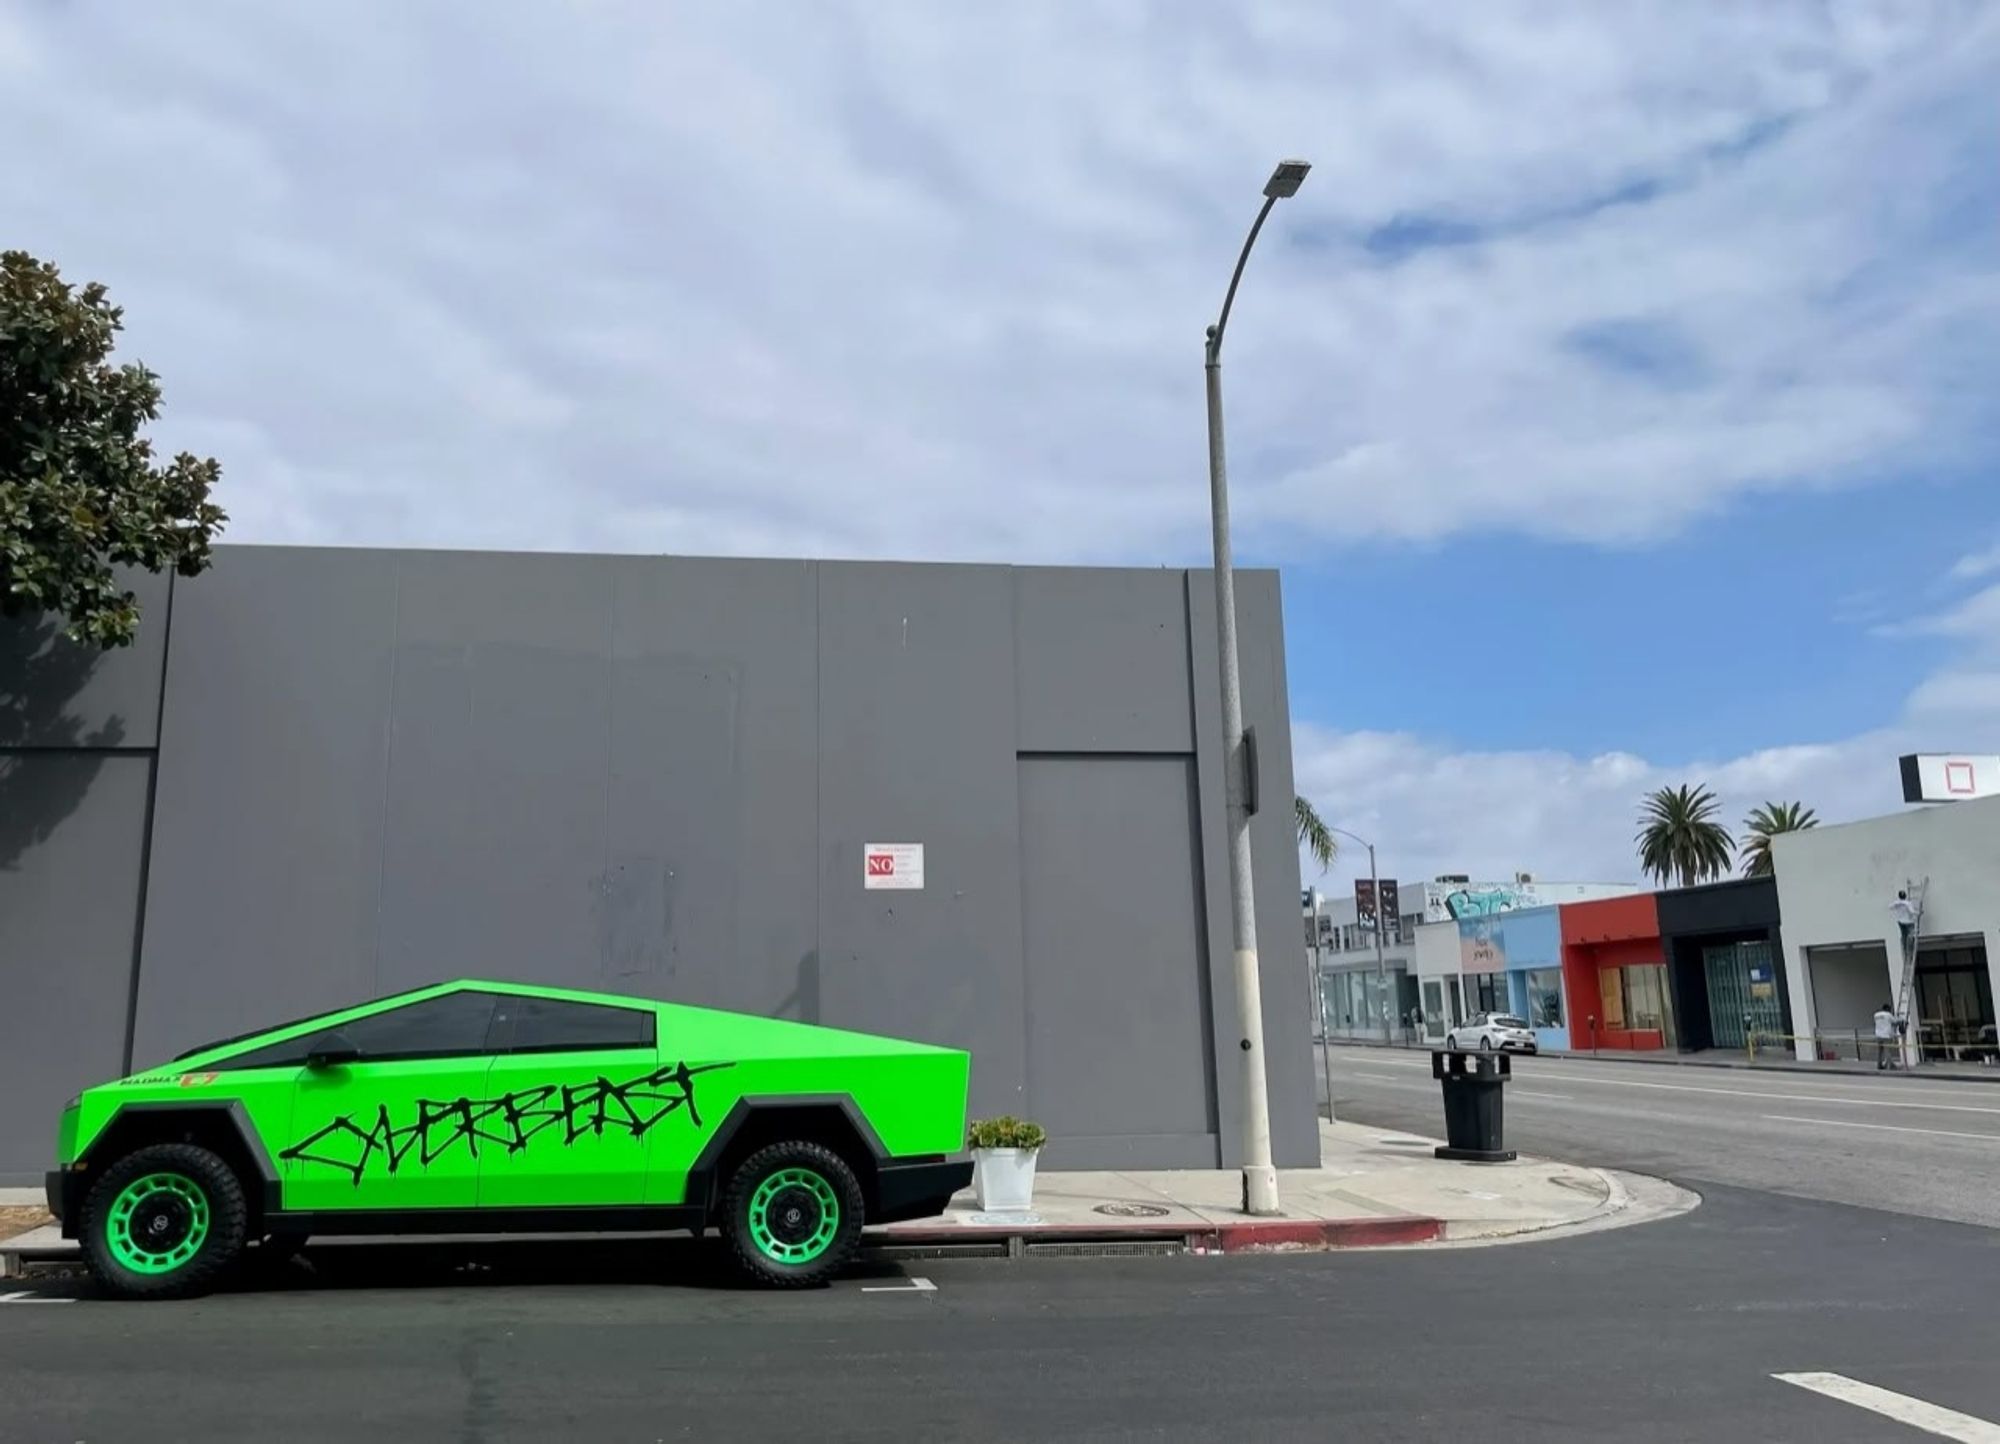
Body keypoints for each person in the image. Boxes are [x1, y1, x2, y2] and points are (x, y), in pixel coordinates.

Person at [1874, 1001, 1899, 1070]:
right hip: (1886, 1035)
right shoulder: (1888, 1015)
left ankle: (1879, 1066)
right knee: (1887, 1051)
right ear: (1888, 1009)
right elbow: (1895, 1021)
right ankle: (1889, 1066)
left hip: (1878, 1035)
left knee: (1879, 1051)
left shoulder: (1876, 1015)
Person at [1892, 890, 1917, 955]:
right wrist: (1919, 913)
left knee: (1904, 936)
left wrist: (1898, 904)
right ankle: (1910, 950)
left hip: (1901, 922)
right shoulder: (1907, 903)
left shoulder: (1896, 903)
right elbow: (1912, 911)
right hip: (1909, 922)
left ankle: (1904, 949)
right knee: (1911, 935)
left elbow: (1890, 907)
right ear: (1905, 896)